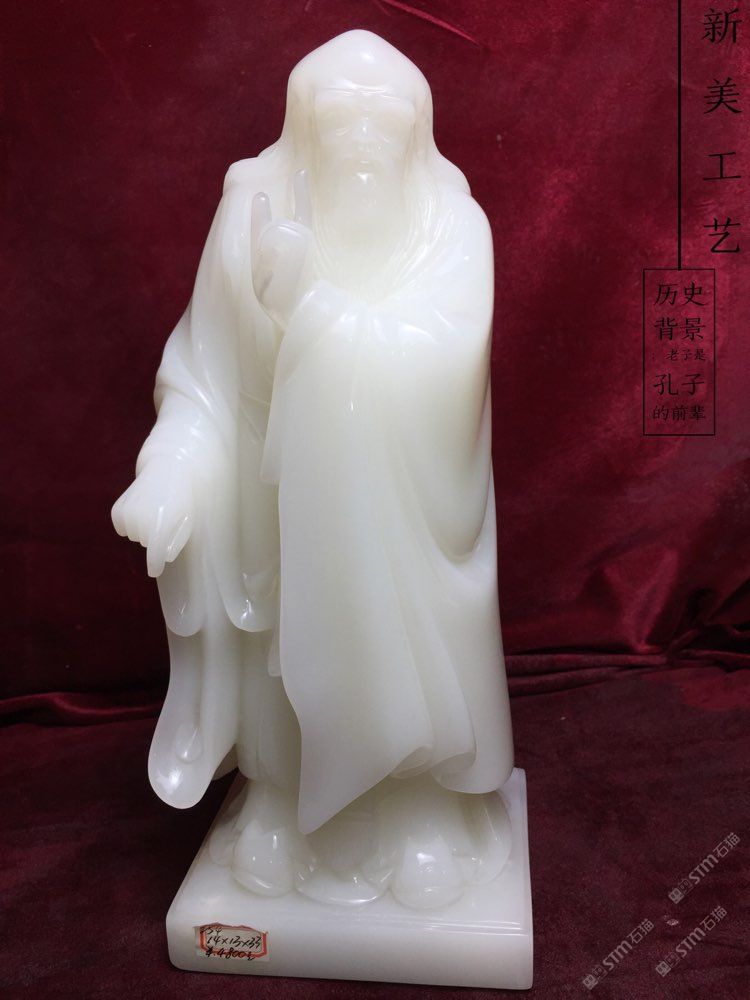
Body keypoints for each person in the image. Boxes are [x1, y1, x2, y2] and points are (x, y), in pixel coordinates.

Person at [112, 30, 514, 904]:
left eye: (386, 114)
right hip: (275, 509)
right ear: (302, 121)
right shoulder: (248, 216)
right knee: (282, 653)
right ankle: (281, 804)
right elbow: (204, 378)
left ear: (418, 126)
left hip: (404, 515)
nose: (362, 133)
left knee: (408, 648)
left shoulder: (453, 226)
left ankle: (418, 812)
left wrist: (311, 307)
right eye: (339, 112)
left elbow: (445, 372)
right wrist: (171, 470)